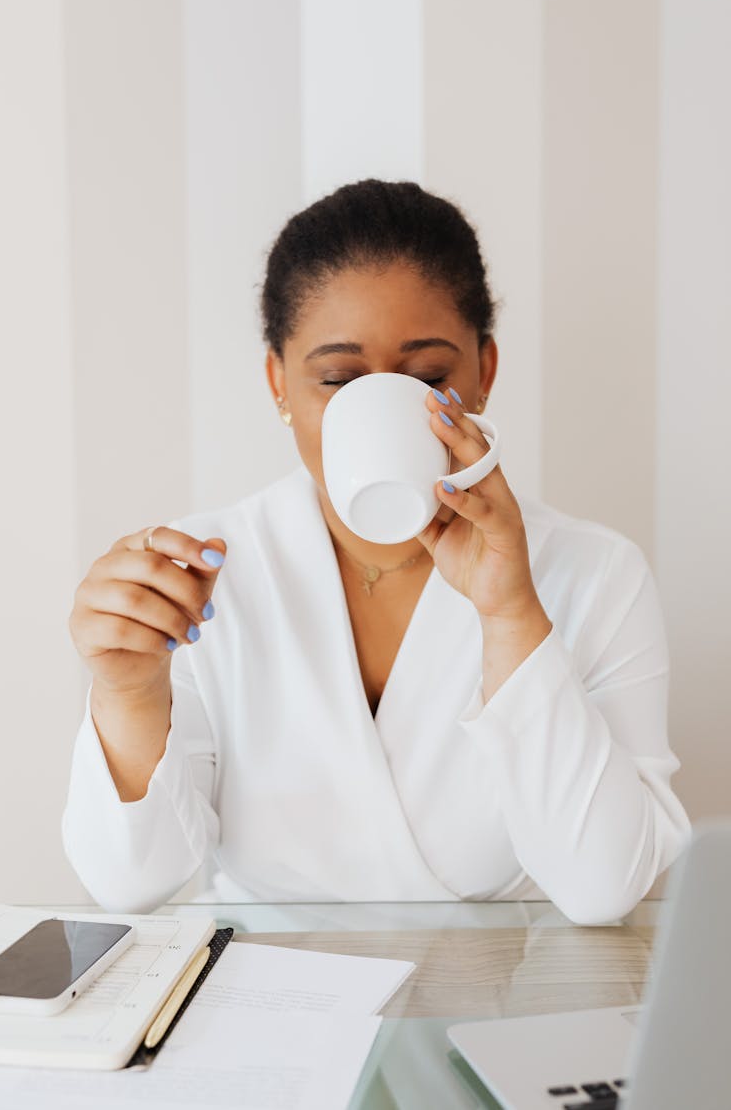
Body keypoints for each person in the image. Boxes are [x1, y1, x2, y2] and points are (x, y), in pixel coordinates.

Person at [63, 179, 690, 922]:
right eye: (337, 379)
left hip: (492, 1013)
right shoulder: (197, 575)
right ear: (279, 383)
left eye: (428, 378)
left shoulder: (595, 573)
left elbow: (604, 888)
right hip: (269, 1002)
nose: (386, 407)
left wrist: (513, 613)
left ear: (484, 372)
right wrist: (129, 695)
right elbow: (131, 885)